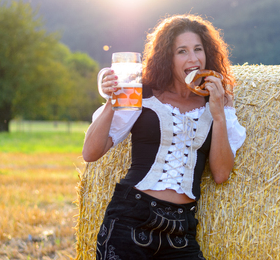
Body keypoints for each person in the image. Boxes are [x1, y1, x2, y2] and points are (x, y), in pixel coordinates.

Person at [82, 14, 246, 260]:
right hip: (130, 219)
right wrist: (111, 101)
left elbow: (221, 174)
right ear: (167, 58)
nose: (193, 59)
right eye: (182, 51)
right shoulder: (142, 94)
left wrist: (219, 115)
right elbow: (91, 153)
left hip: (181, 231)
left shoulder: (218, 103)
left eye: (198, 49)